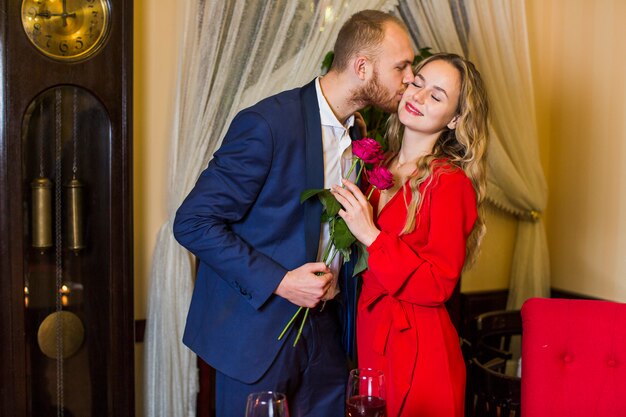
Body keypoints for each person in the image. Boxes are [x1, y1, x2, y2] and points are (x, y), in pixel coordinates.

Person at [172, 10, 414, 417]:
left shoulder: (360, 137)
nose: (409, 78)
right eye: (401, 66)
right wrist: (280, 281)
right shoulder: (267, 125)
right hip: (257, 336)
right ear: (361, 67)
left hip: (327, 336)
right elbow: (193, 222)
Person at [331, 53, 489, 417]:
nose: (417, 97)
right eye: (417, 83)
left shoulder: (450, 184)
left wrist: (372, 235)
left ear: (454, 119)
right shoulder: (376, 167)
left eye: (436, 95)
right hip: (369, 335)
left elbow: (439, 284)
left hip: (419, 350)